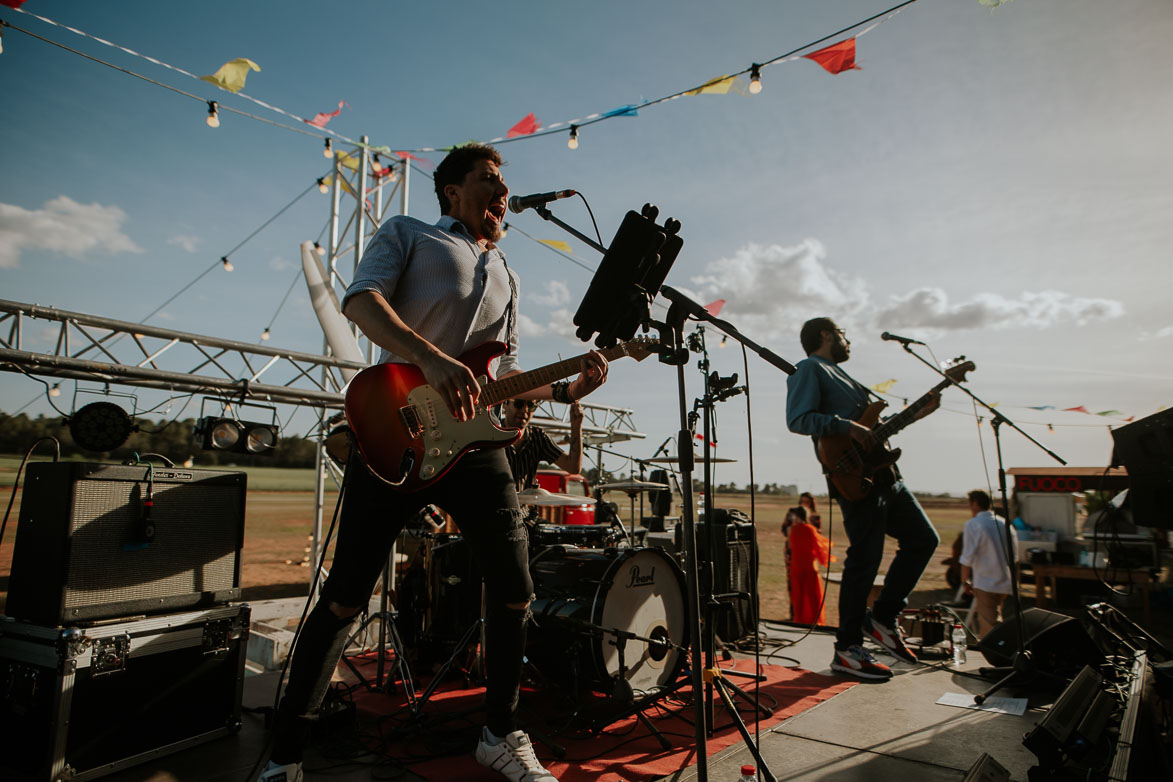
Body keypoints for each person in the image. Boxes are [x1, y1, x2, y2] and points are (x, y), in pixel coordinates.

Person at [261, 144, 608, 782]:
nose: (503, 192)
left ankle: (500, 733)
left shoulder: (508, 269)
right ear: (452, 191)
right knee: (343, 598)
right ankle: (284, 756)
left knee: (515, 592)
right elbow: (360, 302)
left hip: (473, 449)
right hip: (395, 429)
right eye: (489, 180)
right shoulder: (408, 234)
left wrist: (562, 390)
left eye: (505, 184)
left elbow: (501, 370)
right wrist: (431, 359)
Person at [785, 317, 940, 681]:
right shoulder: (810, 368)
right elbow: (799, 419)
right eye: (842, 333)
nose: (847, 340)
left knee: (923, 540)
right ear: (825, 335)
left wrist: (917, 414)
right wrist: (846, 426)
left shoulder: (845, 377)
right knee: (865, 559)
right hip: (855, 478)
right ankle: (847, 649)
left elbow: (872, 430)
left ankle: (883, 617)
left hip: (886, 475)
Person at [959, 489, 1017, 638]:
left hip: (986, 582)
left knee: (989, 624)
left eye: (970, 503)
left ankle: (996, 653)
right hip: (1005, 581)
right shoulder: (1005, 524)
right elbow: (1014, 556)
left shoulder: (974, 524)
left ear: (975, 504)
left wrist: (965, 581)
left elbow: (967, 557)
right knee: (994, 617)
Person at [503, 397, 584, 491]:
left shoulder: (538, 437)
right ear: (505, 404)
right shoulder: (491, 435)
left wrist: (576, 425)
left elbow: (573, 467)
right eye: (519, 404)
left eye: (531, 406)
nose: (525, 410)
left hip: (524, 505)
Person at [787, 505, 834, 625]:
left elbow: (791, 547)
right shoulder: (810, 529)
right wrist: (824, 559)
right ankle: (815, 621)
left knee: (798, 597)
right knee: (813, 596)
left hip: (796, 566)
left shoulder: (792, 529)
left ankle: (799, 620)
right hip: (809, 566)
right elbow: (819, 547)